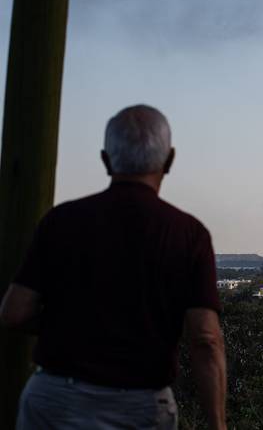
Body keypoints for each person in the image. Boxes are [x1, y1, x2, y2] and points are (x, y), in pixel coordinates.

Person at [0, 104, 226, 430]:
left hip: (54, 404)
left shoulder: (60, 221)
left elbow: (14, 312)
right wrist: (217, 425)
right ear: (169, 160)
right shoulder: (188, 234)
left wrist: (73, 324)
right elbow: (205, 339)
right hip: (139, 410)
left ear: (106, 160)